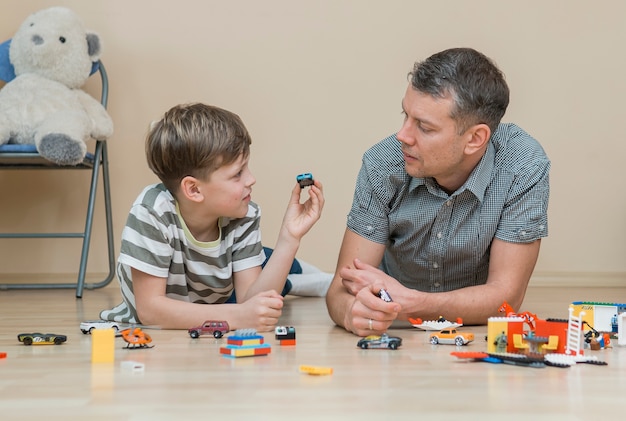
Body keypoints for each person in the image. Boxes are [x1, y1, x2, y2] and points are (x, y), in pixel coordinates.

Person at [326, 48, 550, 336]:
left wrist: (413, 303)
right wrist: (351, 313)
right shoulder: (382, 164)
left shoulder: (522, 166)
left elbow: (505, 299)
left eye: (424, 127)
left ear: (475, 139)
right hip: (396, 325)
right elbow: (338, 294)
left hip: (468, 330)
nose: (403, 136)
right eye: (405, 115)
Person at [100, 103, 328, 331]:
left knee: (269, 258)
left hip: (214, 297)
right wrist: (238, 316)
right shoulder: (151, 212)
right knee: (270, 268)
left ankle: (310, 277)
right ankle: (295, 282)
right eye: (238, 173)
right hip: (213, 301)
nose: (251, 179)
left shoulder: (243, 214)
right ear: (194, 190)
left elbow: (251, 304)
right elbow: (150, 311)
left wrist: (290, 238)